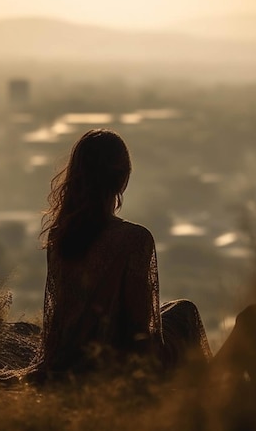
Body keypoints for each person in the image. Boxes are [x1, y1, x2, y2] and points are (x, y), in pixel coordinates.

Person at [37, 128, 212, 377]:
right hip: (118, 362)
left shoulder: (60, 236)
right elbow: (139, 328)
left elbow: (58, 315)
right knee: (186, 312)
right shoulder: (134, 239)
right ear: (122, 179)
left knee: (175, 310)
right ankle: (205, 401)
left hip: (71, 356)